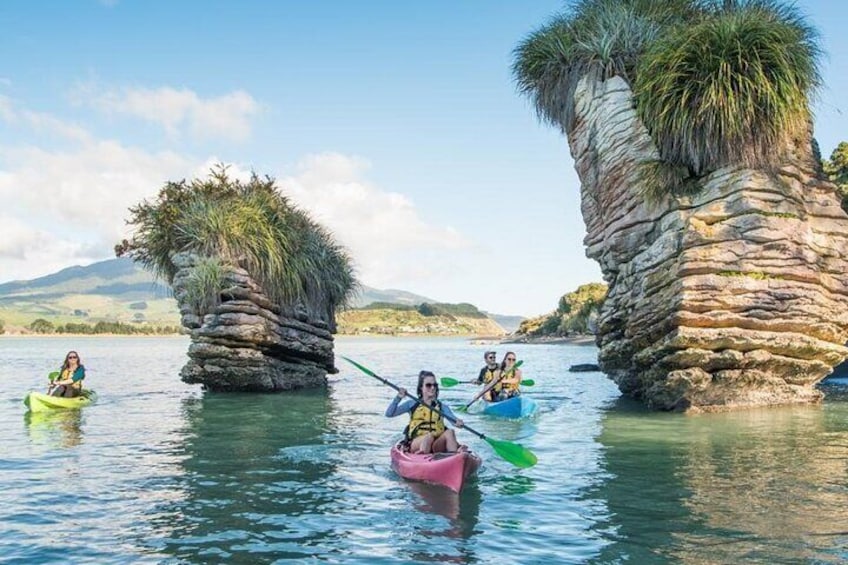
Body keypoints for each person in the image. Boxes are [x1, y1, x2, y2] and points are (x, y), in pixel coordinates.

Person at [385, 370, 466, 454]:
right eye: (428, 385)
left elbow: (454, 421)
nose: (432, 388)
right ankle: (422, 456)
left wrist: (458, 422)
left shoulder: (442, 407)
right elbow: (389, 414)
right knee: (428, 437)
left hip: (436, 443)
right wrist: (398, 398)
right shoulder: (411, 404)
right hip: (417, 443)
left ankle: (453, 456)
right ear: (421, 387)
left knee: (450, 432)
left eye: (435, 385)